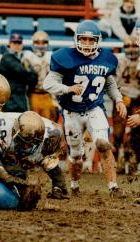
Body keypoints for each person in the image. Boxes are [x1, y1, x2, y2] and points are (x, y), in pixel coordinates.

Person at [43, 20, 127, 197]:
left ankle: (113, 187)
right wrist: (67, 89)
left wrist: (118, 99)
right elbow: (48, 83)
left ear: (98, 40)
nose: (87, 44)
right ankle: (74, 185)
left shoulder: (107, 58)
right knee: (75, 155)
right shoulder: (65, 56)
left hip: (94, 109)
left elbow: (109, 82)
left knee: (103, 144)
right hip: (71, 112)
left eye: (91, 40)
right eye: (84, 39)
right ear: (76, 39)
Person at [113, 36, 140, 173]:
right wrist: (120, 97)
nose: (131, 49)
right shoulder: (118, 61)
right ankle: (115, 162)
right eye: (128, 46)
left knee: (136, 133)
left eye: (134, 46)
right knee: (118, 133)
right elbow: (111, 84)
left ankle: (134, 162)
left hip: (138, 100)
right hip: (121, 99)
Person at [22, 31, 59, 121]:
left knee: (49, 121)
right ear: (33, 44)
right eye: (37, 43)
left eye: (43, 43)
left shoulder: (52, 56)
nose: (40, 45)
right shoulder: (28, 56)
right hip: (33, 93)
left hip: (48, 95)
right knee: (34, 121)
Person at [0, 33, 38, 112]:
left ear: (22, 44)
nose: (16, 45)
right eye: (14, 42)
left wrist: (26, 73)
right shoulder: (6, 57)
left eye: (19, 43)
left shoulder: (24, 58)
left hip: (22, 98)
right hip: (9, 99)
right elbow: (20, 71)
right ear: (10, 44)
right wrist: (27, 72)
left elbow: (34, 79)